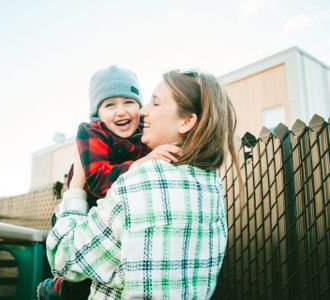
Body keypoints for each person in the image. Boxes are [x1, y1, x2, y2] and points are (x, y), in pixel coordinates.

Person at [46, 69, 243, 299]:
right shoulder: (210, 185)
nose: (143, 111)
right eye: (109, 105)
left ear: (187, 121)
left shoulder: (140, 183)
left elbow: (62, 257)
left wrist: (76, 188)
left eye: (155, 103)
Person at [38, 65, 182, 299]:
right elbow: (98, 181)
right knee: (83, 267)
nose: (121, 111)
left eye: (128, 102)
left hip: (117, 215)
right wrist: (141, 163)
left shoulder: (145, 135)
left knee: (108, 267)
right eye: (110, 105)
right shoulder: (91, 133)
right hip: (85, 210)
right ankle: (58, 287)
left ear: (140, 107)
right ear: (97, 113)